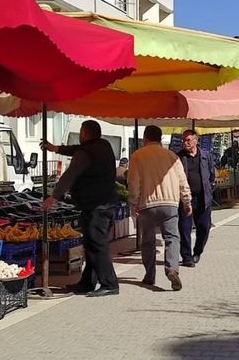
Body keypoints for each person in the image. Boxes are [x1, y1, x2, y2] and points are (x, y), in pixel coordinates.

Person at [41, 120, 119, 297]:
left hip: (96, 206)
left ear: (85, 133)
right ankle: (87, 283)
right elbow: (76, 149)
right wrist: (56, 149)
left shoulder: (86, 153)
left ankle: (110, 283)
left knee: (97, 245)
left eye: (81, 131)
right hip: (105, 203)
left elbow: (70, 174)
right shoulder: (103, 145)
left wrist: (54, 197)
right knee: (92, 244)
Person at [127, 126, 190, 291]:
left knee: (147, 242)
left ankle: (149, 275)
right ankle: (172, 269)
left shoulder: (137, 156)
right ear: (160, 139)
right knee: (172, 238)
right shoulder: (172, 156)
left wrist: (133, 203)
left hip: (147, 205)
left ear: (145, 138)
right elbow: (182, 181)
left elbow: (134, 183)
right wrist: (187, 201)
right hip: (170, 204)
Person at [177, 130, 215, 267]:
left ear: (196, 140)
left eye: (187, 140)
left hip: (203, 197)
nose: (184, 142)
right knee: (184, 228)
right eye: (183, 140)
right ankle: (187, 257)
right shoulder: (179, 157)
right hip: (185, 198)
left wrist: (208, 189)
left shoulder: (206, 156)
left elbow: (211, 175)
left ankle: (198, 251)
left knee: (204, 227)